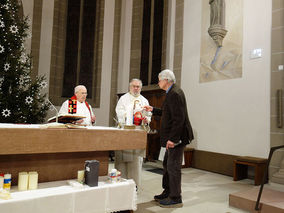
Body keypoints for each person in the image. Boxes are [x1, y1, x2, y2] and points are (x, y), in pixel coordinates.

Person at [144, 69, 194, 208]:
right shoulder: (170, 93)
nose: (158, 82)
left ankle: (176, 197)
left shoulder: (175, 94)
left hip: (177, 138)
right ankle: (168, 191)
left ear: (166, 80)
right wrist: (152, 109)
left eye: (160, 80)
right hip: (172, 138)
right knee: (167, 165)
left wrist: (173, 139)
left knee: (173, 167)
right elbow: (167, 113)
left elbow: (179, 119)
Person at [115, 78, 151, 189]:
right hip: (126, 132)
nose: (136, 88)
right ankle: (121, 184)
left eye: (138, 86)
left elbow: (148, 115)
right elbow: (119, 112)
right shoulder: (123, 98)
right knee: (122, 160)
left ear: (141, 88)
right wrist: (130, 115)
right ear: (130, 87)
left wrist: (146, 120)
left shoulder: (144, 100)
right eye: (134, 86)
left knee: (136, 161)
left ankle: (134, 185)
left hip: (138, 133)